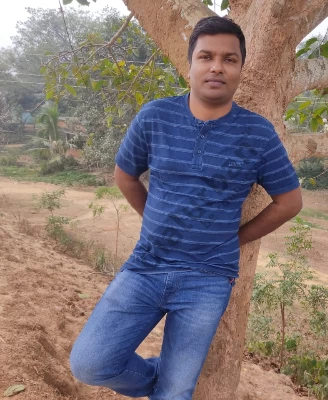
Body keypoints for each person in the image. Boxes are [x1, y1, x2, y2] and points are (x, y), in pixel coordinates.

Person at [70, 16, 302, 400]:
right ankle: (157, 378)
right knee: (90, 363)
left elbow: (290, 202)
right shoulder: (155, 117)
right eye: (206, 56)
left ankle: (171, 385)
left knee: (176, 391)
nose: (217, 67)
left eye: (229, 59)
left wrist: (236, 238)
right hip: (147, 265)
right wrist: (154, 219)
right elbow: (125, 175)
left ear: (240, 69)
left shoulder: (258, 133)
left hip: (208, 279)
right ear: (190, 64)